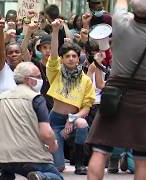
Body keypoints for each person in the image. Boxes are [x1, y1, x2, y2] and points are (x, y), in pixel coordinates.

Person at [86, 0, 146, 180]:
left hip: (116, 93)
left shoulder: (119, 20)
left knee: (100, 151)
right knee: (142, 160)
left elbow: (121, 2)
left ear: (133, 10)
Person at [0, 61, 63, 180]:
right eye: (38, 77)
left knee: (8, 172)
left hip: (0, 155)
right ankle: (40, 177)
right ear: (27, 79)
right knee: (56, 177)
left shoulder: (0, 99)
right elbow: (46, 133)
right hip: (28, 157)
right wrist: (53, 144)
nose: (41, 79)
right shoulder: (36, 98)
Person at [47, 19, 95, 175]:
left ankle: (80, 164)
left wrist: (72, 118)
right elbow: (53, 56)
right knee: (59, 167)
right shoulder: (56, 73)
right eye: (67, 56)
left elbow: (87, 108)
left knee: (82, 123)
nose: (71, 58)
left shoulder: (86, 80)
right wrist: (55, 31)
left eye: (74, 55)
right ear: (63, 59)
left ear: (78, 58)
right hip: (55, 121)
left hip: (73, 120)